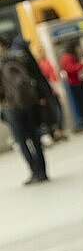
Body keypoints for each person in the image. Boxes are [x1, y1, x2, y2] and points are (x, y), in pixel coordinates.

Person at [0, 36, 49, 185]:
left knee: (22, 141)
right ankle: (43, 171)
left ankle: (34, 171)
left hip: (11, 106)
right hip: (29, 102)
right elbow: (36, 76)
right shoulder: (20, 57)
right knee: (35, 137)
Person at [37, 46, 67, 141]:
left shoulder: (45, 62)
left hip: (54, 87)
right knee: (57, 110)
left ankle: (59, 130)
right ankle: (58, 130)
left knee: (58, 110)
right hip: (51, 89)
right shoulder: (41, 64)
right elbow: (47, 78)